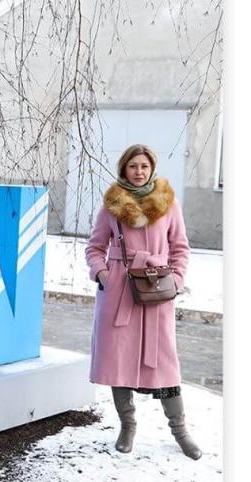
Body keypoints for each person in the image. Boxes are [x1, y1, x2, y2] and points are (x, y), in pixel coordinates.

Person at [85, 144, 201, 460]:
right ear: (124, 169)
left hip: (157, 290)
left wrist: (176, 280)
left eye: (144, 166)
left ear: (152, 169)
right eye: (133, 166)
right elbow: (95, 247)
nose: (139, 171)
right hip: (120, 293)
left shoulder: (169, 204)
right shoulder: (111, 205)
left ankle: (180, 431)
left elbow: (181, 248)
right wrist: (103, 274)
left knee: (165, 364)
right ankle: (127, 426)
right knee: (118, 360)